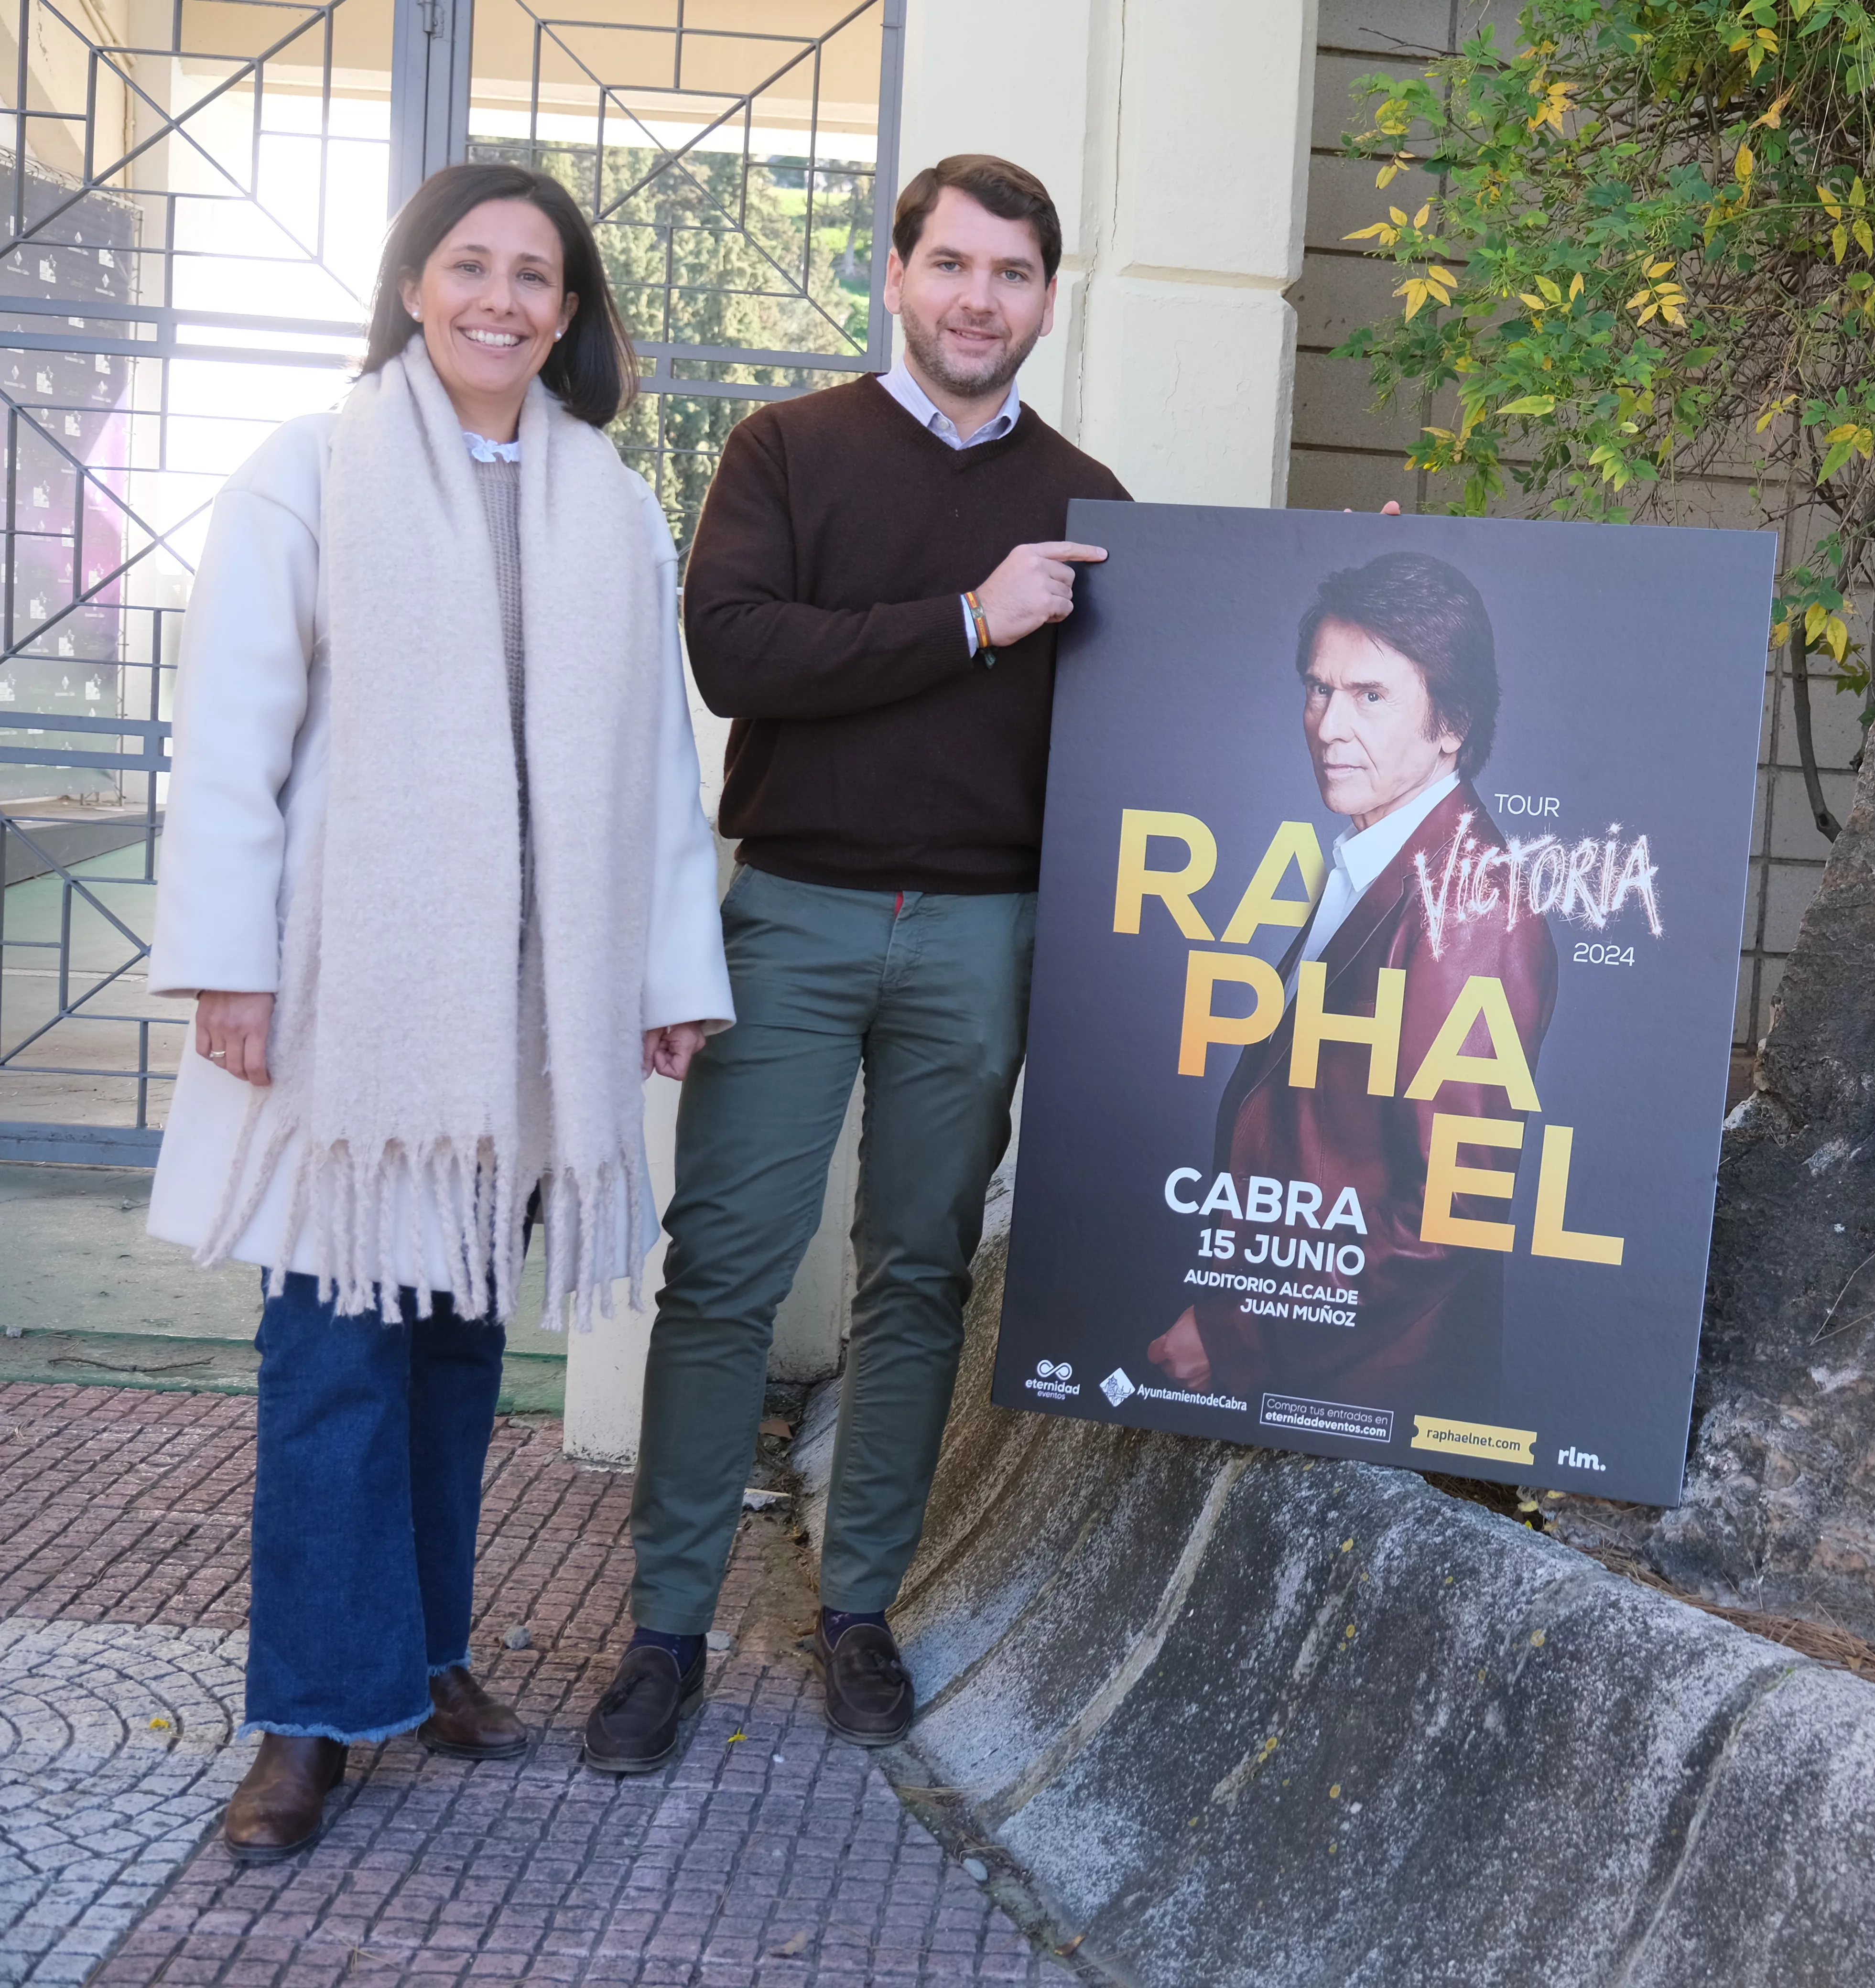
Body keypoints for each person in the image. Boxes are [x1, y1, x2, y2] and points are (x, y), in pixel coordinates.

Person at [144, 161, 733, 1860]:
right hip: (351, 1009)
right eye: (468, 265)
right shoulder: (308, 470)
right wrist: (231, 967)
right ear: (413, 286)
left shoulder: (610, 502)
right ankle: (310, 1718)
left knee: (461, 1347)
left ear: (570, 311)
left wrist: (669, 980)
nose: (500, 298)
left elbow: (651, 781)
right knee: (335, 1355)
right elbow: (236, 741)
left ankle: (421, 1657)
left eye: (534, 275)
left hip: (526, 1015)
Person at [583, 154, 1128, 1772]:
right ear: (897, 274)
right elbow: (736, 650)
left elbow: (1195, 694)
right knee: (726, 1278)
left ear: (1045, 295)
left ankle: (856, 1610)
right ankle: (666, 1632)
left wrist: (1319, 579)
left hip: (985, 931)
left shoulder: (1091, 503)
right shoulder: (788, 450)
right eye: (952, 263)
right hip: (798, 914)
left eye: (1013, 272)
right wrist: (966, 621)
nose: (979, 297)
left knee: (918, 1278)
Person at [1146, 551, 1557, 1426]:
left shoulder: (1468, 904)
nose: (1328, 725)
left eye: (1371, 696)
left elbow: (1449, 1212)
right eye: (1318, 689)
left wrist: (1235, 1329)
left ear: (1452, 723)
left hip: (1372, 1392)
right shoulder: (1383, 856)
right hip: (1326, 1367)